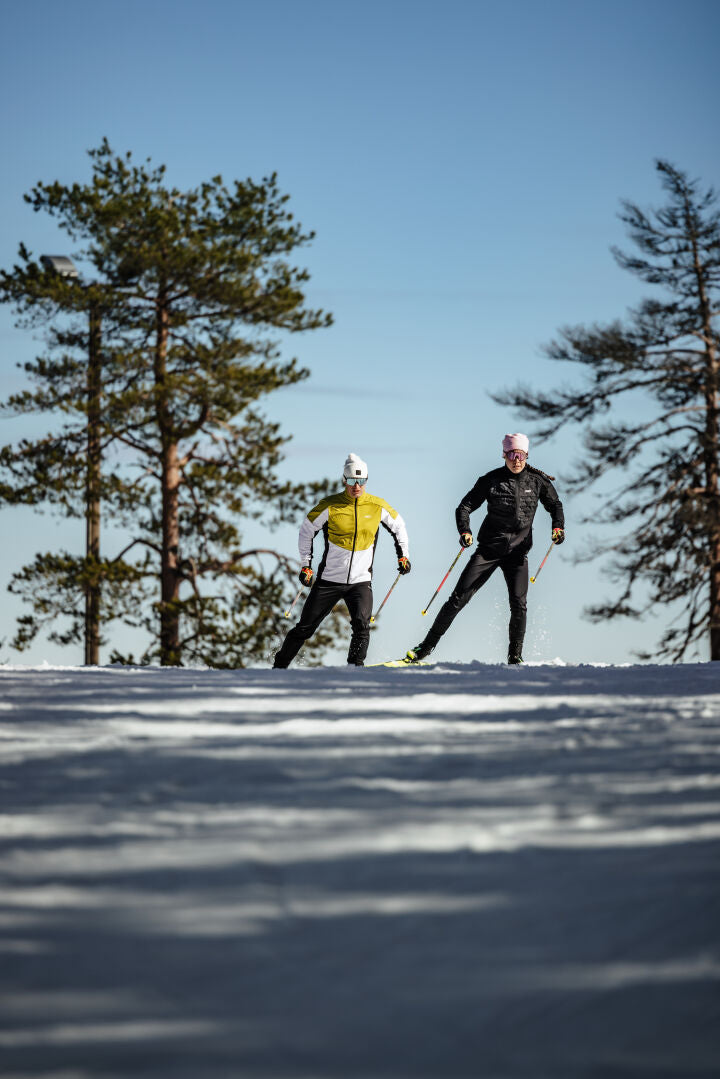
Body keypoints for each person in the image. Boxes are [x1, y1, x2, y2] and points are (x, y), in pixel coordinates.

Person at [406, 433, 564, 665]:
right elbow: (465, 506)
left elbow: (555, 505)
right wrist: (465, 531)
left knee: (519, 604)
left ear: (526, 455)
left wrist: (558, 526)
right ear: (504, 455)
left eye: (520, 455)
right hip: (488, 550)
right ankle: (424, 648)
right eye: (511, 454)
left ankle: (515, 656)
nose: (516, 460)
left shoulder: (537, 481)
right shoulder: (491, 480)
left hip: (518, 554)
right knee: (458, 599)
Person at [273, 452, 411, 668]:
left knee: (362, 625)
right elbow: (306, 530)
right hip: (329, 580)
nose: (357, 486)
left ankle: (355, 669)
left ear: (366, 480)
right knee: (305, 627)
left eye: (361, 481)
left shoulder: (377, 505)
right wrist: (306, 566)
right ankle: (279, 666)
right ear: (344, 480)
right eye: (352, 481)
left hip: (360, 581)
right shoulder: (330, 505)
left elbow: (399, 526)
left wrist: (403, 555)